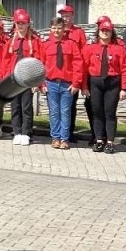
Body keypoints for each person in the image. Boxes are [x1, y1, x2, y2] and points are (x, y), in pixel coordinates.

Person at [82, 17, 126, 153]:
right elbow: (83, 69)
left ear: (112, 32)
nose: (105, 33)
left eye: (108, 31)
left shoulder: (119, 49)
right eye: (103, 30)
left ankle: (109, 142)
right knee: (97, 112)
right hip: (95, 83)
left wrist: (124, 88)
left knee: (109, 113)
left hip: (112, 84)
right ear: (98, 32)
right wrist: (84, 87)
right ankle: (98, 140)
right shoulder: (90, 48)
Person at [40, 15, 84, 150]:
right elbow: (41, 65)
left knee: (65, 111)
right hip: (51, 83)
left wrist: (76, 83)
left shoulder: (71, 44)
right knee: (54, 112)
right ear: (50, 29)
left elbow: (78, 64)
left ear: (64, 29)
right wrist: (41, 84)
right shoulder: (46, 45)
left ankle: (64, 138)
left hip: (67, 84)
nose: (57, 31)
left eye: (59, 28)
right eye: (54, 28)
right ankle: (55, 138)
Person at [5, 9, 41, 146]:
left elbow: (38, 60)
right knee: (15, 107)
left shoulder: (35, 41)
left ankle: (26, 133)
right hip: (14, 79)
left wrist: (36, 81)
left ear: (28, 24)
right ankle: (17, 131)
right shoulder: (10, 41)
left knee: (26, 107)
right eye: (18, 23)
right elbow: (5, 61)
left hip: (27, 79)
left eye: (23, 23)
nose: (20, 26)